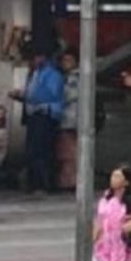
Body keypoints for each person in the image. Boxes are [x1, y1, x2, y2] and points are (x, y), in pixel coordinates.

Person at [10, 44, 64, 194]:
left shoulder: (53, 74)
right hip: (34, 116)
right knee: (33, 151)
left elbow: (48, 95)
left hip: (46, 116)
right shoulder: (36, 73)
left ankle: (44, 184)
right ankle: (35, 182)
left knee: (42, 151)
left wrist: (25, 95)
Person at [93, 164, 131, 261]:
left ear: (126, 181)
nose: (113, 179)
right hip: (108, 248)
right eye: (113, 176)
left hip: (129, 250)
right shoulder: (107, 198)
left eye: (117, 176)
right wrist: (95, 237)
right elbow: (100, 219)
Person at [57, 50, 80, 190]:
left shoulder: (74, 77)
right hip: (67, 119)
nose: (66, 63)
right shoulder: (65, 76)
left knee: (70, 154)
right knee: (66, 153)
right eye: (64, 60)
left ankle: (69, 182)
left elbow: (69, 95)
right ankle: (67, 180)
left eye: (69, 60)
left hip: (71, 119)